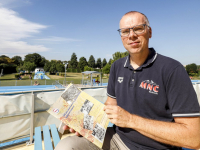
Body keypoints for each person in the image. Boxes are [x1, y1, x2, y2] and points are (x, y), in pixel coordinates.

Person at [55, 11, 200, 150]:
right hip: (118, 139)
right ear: (121, 36)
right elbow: (110, 106)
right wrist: (82, 122)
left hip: (157, 147)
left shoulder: (172, 69)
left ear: (149, 32)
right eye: (125, 31)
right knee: (67, 145)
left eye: (138, 29)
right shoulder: (117, 66)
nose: (132, 35)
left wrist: (131, 120)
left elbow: (194, 138)